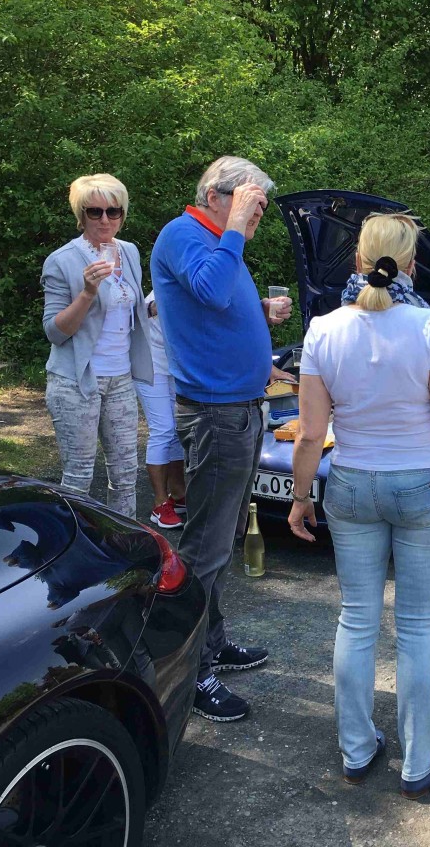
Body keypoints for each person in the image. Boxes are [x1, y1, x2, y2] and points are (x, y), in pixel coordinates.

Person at [287, 213, 430, 799]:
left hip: (351, 483)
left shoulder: (323, 329)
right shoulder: (429, 325)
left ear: (357, 261)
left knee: (357, 619)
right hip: (424, 484)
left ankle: (357, 748)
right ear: (411, 264)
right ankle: (419, 762)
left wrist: (299, 497)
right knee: (417, 628)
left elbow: (310, 434)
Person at [150, 155, 295, 723]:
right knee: (204, 550)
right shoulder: (184, 234)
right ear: (217, 195)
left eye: (259, 205)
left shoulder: (215, 240)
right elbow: (210, 291)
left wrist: (260, 310)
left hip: (241, 409)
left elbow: (211, 304)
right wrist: (234, 228)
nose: (258, 213)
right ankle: (190, 672)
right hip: (214, 414)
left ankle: (212, 642)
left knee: (224, 539)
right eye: (251, 201)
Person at [41, 173, 153, 519]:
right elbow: (55, 332)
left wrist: (155, 307)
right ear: (81, 215)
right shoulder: (62, 260)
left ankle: (124, 542)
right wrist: (88, 293)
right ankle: (76, 544)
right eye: (95, 211)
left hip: (121, 378)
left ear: (122, 214)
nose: (105, 219)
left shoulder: (129, 252)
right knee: (79, 477)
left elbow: (130, 308)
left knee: (126, 473)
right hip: (77, 381)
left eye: (113, 211)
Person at [134, 291, 187, 528]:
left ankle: (179, 493)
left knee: (177, 428)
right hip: (149, 365)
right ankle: (159, 503)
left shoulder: (196, 287)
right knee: (162, 429)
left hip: (174, 365)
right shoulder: (163, 291)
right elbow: (142, 312)